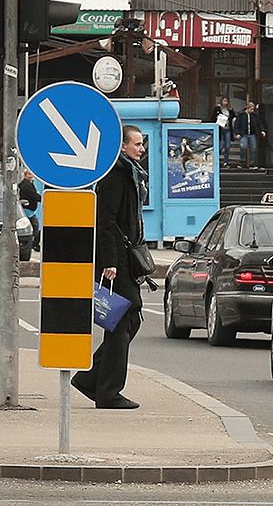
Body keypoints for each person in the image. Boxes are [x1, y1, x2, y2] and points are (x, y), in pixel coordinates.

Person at [71, 125, 148, 410]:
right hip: (116, 263)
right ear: (123, 147)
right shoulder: (115, 177)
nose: (142, 149)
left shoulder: (130, 174)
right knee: (121, 322)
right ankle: (108, 392)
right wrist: (110, 263)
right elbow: (104, 223)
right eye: (137, 144)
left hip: (126, 261)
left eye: (142, 144)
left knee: (130, 321)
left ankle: (90, 380)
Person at [234, 102, 266, 168]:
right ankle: (242, 161)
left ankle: (252, 163)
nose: (252, 111)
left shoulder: (254, 115)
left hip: (252, 134)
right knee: (243, 147)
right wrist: (237, 133)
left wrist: (262, 130)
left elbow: (259, 123)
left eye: (253, 109)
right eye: (251, 109)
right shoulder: (241, 115)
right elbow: (237, 125)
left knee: (253, 148)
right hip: (244, 134)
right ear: (247, 108)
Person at [18, 169, 41, 252]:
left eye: (31, 174)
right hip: (27, 210)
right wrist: (43, 199)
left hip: (28, 209)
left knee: (33, 226)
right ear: (25, 175)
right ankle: (34, 244)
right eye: (28, 174)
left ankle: (33, 244)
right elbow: (34, 195)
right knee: (35, 225)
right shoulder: (26, 185)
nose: (30, 176)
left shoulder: (28, 184)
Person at [213, 96, 235, 167]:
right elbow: (213, 118)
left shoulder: (230, 110)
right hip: (220, 129)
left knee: (227, 146)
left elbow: (233, 116)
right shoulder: (217, 109)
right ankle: (217, 161)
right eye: (224, 101)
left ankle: (226, 161)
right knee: (220, 145)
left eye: (226, 101)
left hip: (227, 129)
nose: (225, 103)